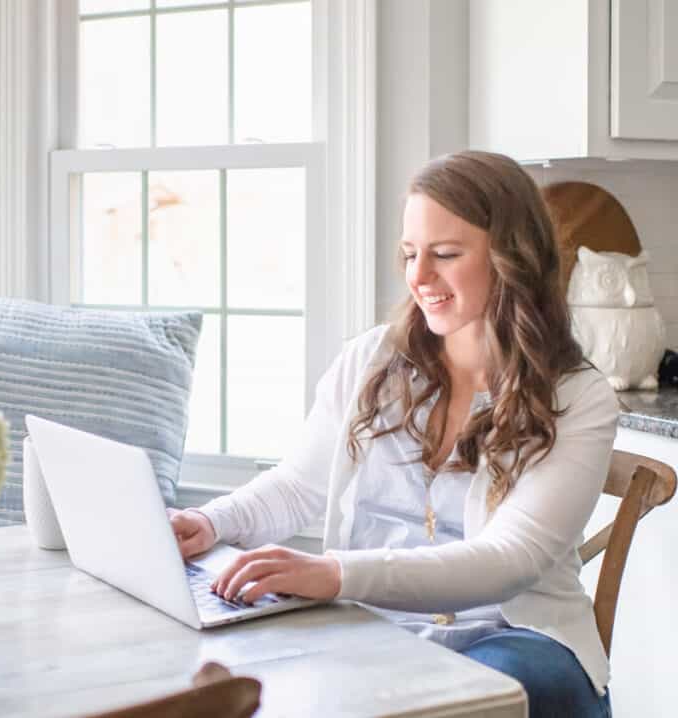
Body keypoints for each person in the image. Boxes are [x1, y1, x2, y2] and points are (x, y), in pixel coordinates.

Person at [169, 150, 618, 717]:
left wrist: (335, 574)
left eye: (446, 254)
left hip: (517, 641)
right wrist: (210, 523)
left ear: (512, 257)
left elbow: (511, 560)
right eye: (410, 254)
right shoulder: (371, 361)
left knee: (463, 695)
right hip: (373, 628)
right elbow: (299, 487)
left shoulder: (577, 396)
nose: (419, 277)